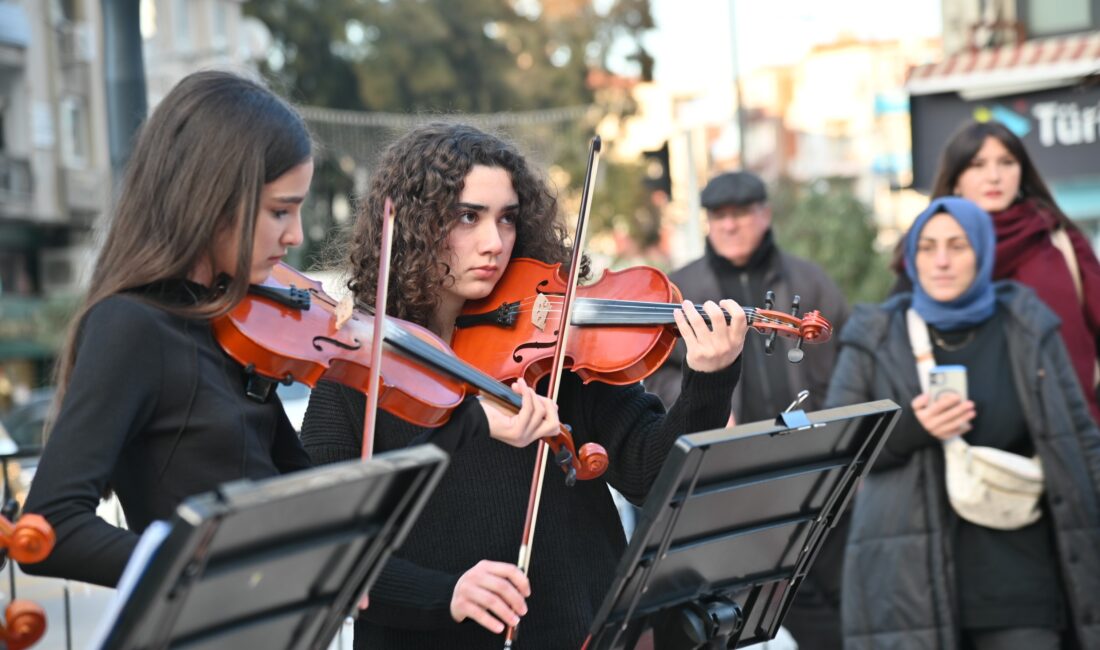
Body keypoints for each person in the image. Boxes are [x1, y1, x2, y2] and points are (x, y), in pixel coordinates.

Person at [300, 122, 748, 649]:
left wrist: (709, 379)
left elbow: (652, 476)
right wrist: (446, 593)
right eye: (468, 217)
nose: (494, 243)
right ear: (417, 224)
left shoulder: (552, 351)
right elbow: (322, 549)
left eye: (507, 219)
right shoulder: (360, 368)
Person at [19, 70, 319, 586]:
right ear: (211, 197)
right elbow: (52, 530)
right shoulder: (130, 325)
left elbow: (293, 480)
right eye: (279, 211)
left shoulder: (227, 322)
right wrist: (208, 567)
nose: (294, 234)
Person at [829, 196, 1100, 650]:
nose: (941, 260)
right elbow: (835, 448)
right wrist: (913, 426)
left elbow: (1080, 440)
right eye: (927, 246)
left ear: (982, 251)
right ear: (911, 257)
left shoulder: (1027, 325)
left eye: (957, 246)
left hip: (1023, 579)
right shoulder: (875, 335)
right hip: (910, 586)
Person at [645, 170, 850, 650]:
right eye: (719, 216)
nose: (730, 226)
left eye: (741, 214)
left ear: (765, 214)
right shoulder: (682, 288)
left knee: (825, 609)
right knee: (738, 613)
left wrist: (832, 436)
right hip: (732, 477)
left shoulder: (809, 281)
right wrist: (704, 397)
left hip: (806, 470)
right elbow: (656, 372)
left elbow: (846, 368)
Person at [898, 120, 1100, 423]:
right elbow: (896, 355)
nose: (994, 177)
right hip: (973, 434)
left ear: (1022, 172)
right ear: (955, 180)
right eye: (977, 165)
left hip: (1072, 426)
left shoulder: (1060, 239)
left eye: (1006, 162)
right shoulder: (928, 256)